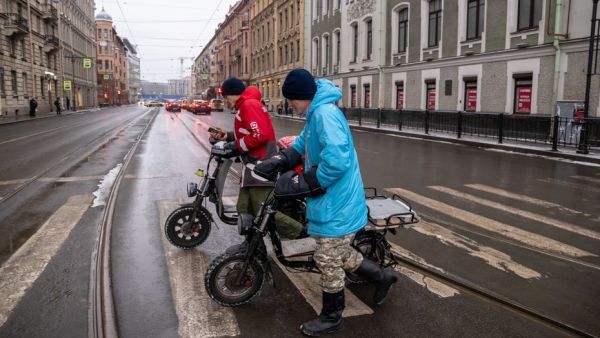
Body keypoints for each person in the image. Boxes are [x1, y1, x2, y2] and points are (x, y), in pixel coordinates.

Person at [254, 69, 398, 336]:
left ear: (302, 96)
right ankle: (383, 276)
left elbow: (338, 161)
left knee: (327, 258)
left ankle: (332, 317)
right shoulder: (316, 112)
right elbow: (304, 142)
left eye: (291, 100)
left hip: (338, 200)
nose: (290, 105)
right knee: (339, 253)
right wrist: (283, 160)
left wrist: (305, 182)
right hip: (332, 197)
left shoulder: (324, 114)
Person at [208, 77, 305, 246]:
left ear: (233, 94)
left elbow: (260, 135)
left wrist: (235, 147)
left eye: (226, 96)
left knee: (264, 211)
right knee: (244, 209)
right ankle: (253, 247)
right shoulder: (246, 105)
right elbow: (250, 131)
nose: (225, 101)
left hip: (260, 167)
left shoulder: (249, 105)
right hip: (252, 167)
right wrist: (228, 136)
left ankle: (301, 233)